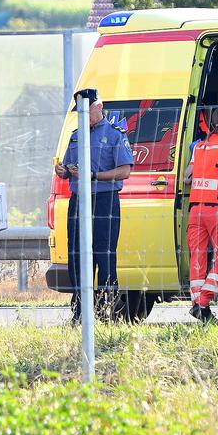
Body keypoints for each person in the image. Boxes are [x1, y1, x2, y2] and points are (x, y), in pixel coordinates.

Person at [52, 89, 133, 320]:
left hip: (104, 200)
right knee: (77, 254)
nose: (83, 116)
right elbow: (67, 166)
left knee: (104, 254)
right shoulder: (76, 135)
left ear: (99, 107)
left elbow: (125, 171)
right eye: (80, 113)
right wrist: (64, 171)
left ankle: (109, 308)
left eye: (86, 111)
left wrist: (95, 176)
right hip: (79, 201)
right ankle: (80, 310)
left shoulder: (116, 135)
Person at [186, 106, 218, 322]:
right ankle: (203, 301)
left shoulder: (198, 147)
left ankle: (197, 305)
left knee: (197, 256)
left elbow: (187, 177)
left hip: (195, 210)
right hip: (216, 210)